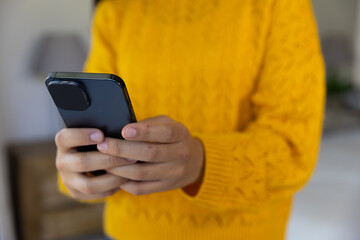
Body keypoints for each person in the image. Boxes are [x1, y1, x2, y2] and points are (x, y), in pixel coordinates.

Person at [55, 0, 325, 239]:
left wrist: (201, 162)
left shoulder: (279, 5)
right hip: (126, 232)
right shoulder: (115, 11)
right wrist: (81, 168)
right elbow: (95, 127)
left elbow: (293, 150)